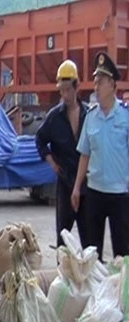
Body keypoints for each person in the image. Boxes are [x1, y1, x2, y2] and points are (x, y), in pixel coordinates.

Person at [72, 52, 129, 259]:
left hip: (120, 194)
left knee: (122, 252)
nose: (96, 86)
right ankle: (97, 291)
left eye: (101, 82)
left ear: (113, 85)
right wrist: (77, 188)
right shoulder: (91, 117)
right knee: (92, 253)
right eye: (95, 82)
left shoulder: (125, 116)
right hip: (95, 192)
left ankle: (123, 290)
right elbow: (84, 155)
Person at [35, 60, 89, 248]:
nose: (64, 95)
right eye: (62, 90)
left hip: (86, 185)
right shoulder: (54, 117)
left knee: (89, 239)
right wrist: (51, 161)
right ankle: (63, 274)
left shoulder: (89, 115)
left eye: (68, 90)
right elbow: (40, 139)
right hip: (66, 183)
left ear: (77, 87)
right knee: (63, 238)